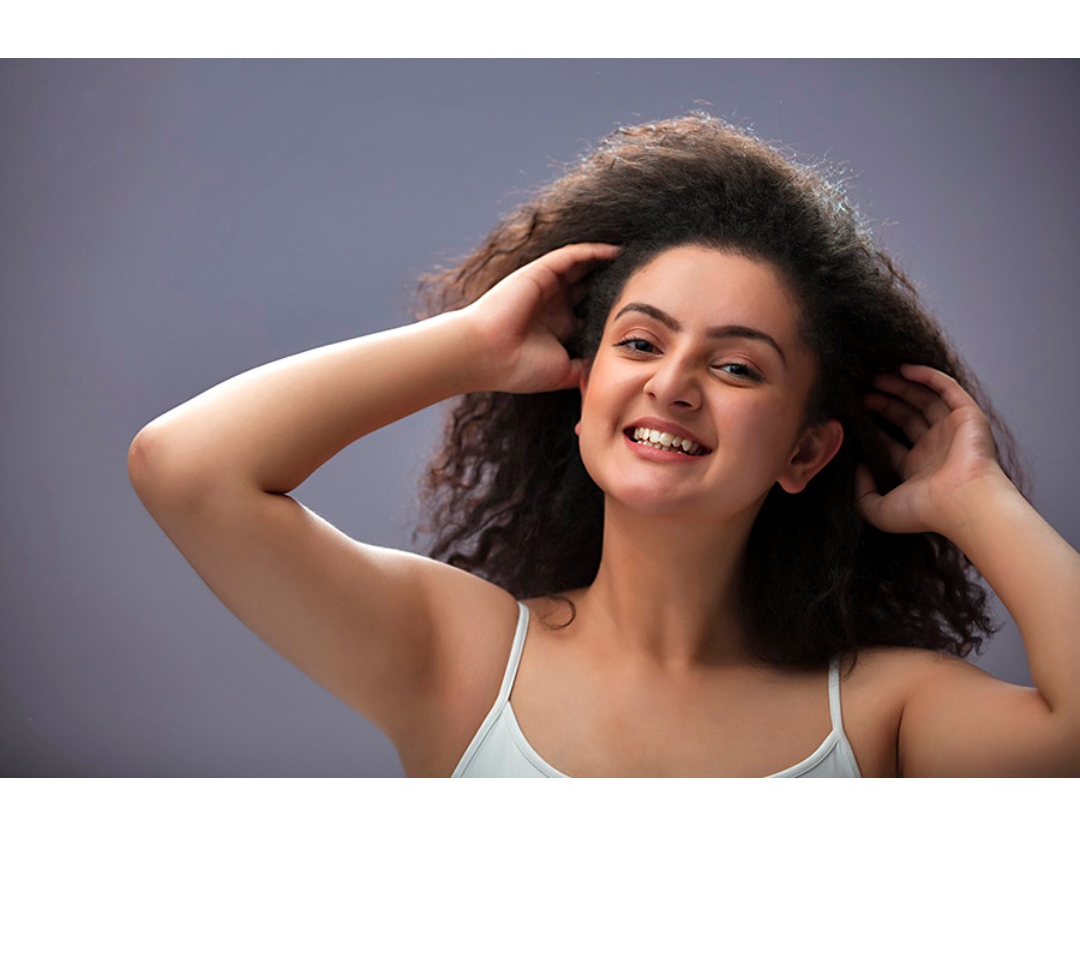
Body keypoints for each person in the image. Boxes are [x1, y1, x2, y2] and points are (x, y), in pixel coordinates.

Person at [128, 115, 1080, 777]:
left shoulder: (879, 712)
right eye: (639, 343)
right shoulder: (461, 658)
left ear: (806, 452)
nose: (673, 383)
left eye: (737, 366)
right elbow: (187, 469)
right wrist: (470, 345)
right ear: (581, 396)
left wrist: (976, 498)